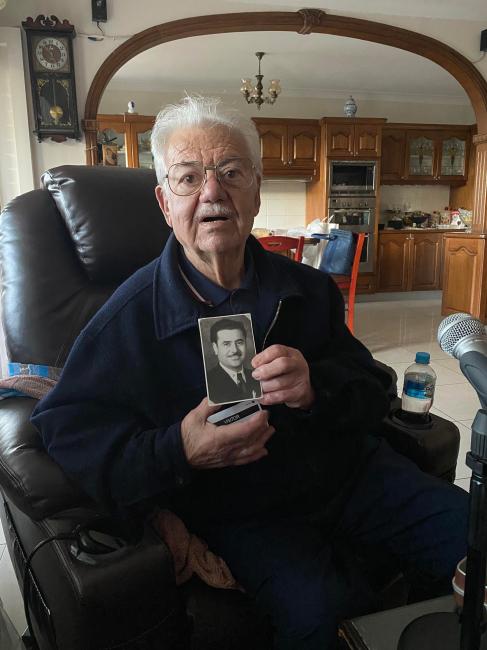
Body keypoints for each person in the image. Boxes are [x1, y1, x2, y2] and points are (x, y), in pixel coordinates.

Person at [32, 96, 468, 650]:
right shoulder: (126, 318)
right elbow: (66, 433)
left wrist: (317, 388)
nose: (212, 192)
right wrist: (179, 449)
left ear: (256, 192)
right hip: (243, 511)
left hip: (354, 477)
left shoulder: (306, 289)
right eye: (188, 178)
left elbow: (370, 387)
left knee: (473, 542)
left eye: (231, 172)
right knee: (323, 620)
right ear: (166, 203)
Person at [206, 317, 261, 403]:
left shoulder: (257, 376)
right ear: (215, 348)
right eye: (226, 344)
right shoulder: (209, 382)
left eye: (239, 342)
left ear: (245, 344)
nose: (235, 350)